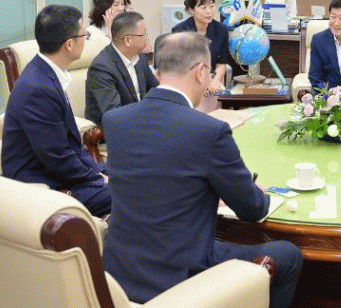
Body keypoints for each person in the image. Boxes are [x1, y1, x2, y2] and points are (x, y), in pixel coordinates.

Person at [101, 32, 302, 307]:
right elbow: (252, 209)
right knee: (287, 255)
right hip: (180, 279)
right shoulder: (209, 131)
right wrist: (259, 194)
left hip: (118, 276)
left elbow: (156, 178)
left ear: (157, 72)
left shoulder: (115, 120)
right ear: (200, 72)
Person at [1, 5, 111, 217]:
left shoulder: (46, 73)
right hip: (39, 184)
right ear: (69, 44)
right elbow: (57, 158)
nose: (86, 40)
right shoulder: (38, 89)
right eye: (84, 35)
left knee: (127, 176)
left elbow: (69, 148)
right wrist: (97, 178)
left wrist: (100, 172)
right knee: (129, 193)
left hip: (58, 172)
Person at [85, 11, 158, 126]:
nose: (147, 38)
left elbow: (155, 90)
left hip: (141, 121)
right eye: (144, 34)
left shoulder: (140, 58)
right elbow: (114, 113)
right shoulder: (101, 68)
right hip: (115, 128)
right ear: (128, 40)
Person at [171, 0, 228, 95]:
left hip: (211, 80)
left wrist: (215, 81)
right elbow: (178, 66)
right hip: (187, 81)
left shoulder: (221, 30)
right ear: (191, 10)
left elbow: (222, 63)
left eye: (211, 6)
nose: (209, 11)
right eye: (203, 8)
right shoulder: (180, 31)